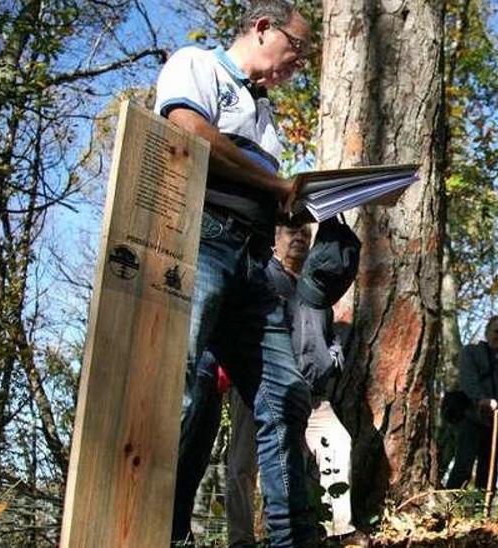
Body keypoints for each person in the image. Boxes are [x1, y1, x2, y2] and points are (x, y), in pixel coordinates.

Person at [157, 1, 317, 543]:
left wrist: (294, 204)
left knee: (286, 394)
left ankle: (291, 537)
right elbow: (190, 133)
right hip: (200, 241)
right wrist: (276, 187)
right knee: (184, 394)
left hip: (255, 262)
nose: (299, 65)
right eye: (297, 50)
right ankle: (162, 531)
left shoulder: (266, 114)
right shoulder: (196, 65)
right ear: (263, 28)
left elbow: (263, 186)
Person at [226, 218, 362, 544]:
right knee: (243, 464)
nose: (299, 237)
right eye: (291, 231)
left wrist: (333, 357)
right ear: (275, 238)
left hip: (312, 394)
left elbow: (328, 336)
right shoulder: (261, 276)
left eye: (305, 232)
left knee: (337, 444)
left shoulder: (316, 288)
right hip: (257, 385)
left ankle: (338, 531)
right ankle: (240, 539)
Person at [446, 316, 498, 491]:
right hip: (471, 417)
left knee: (489, 472)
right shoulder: (471, 352)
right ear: (487, 333)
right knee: (463, 465)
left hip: (495, 425)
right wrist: (480, 399)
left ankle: (482, 512)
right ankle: (449, 509)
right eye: (497, 332)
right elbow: (468, 379)